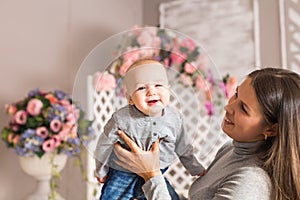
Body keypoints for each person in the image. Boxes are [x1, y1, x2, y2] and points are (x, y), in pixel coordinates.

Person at [114, 67, 300, 200]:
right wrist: (150, 177)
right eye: (236, 94)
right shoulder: (229, 150)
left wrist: (151, 175)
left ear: (271, 129)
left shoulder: (250, 182)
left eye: (243, 108)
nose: (228, 106)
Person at [94, 59, 205, 199]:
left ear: (168, 90)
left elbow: (183, 146)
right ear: (130, 98)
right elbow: (104, 145)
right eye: (141, 88)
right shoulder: (121, 119)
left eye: (158, 85)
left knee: (166, 194)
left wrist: (194, 167)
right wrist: (101, 170)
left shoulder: (174, 118)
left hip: (157, 172)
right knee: (113, 195)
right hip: (123, 173)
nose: (151, 91)